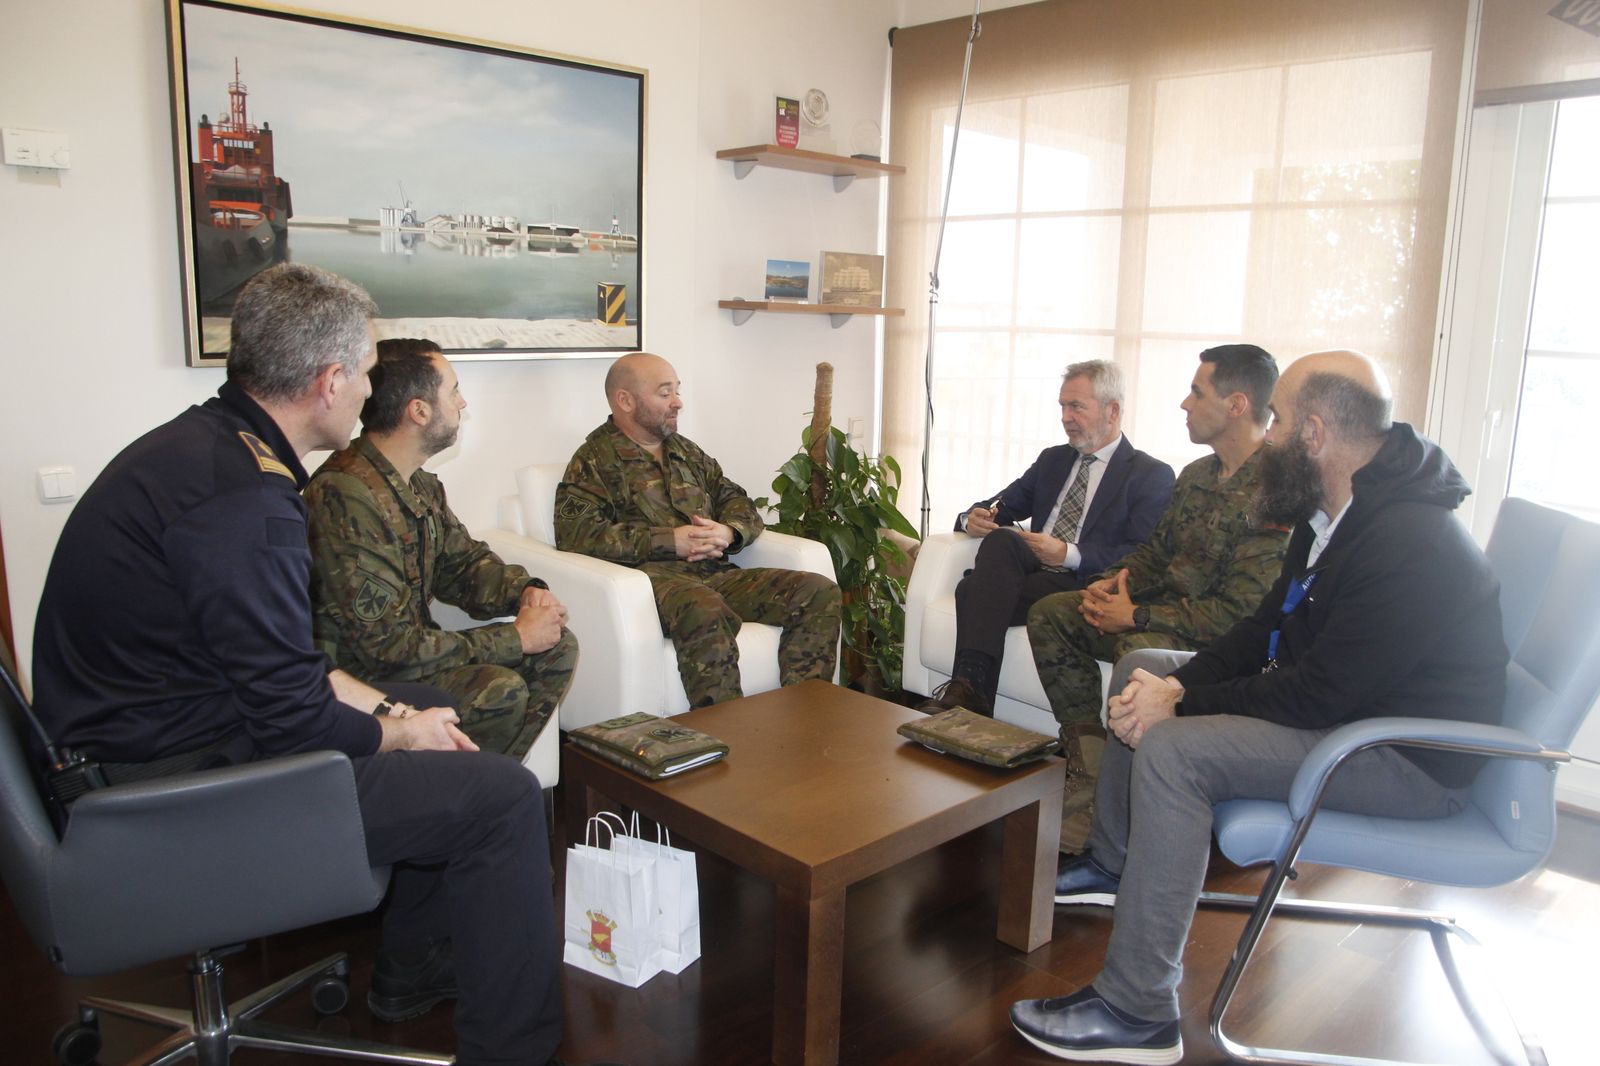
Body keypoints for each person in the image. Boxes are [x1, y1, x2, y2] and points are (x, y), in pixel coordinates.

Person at [32, 265, 569, 1066]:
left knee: (430, 708)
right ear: (327, 382)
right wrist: (398, 734)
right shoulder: (243, 502)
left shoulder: (210, 447)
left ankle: (411, 971)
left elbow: (289, 666)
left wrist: (399, 715)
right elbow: (291, 715)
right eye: (361, 372)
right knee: (503, 798)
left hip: (153, 736)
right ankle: (513, 1052)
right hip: (163, 787)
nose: (367, 390)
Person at [1008, 351, 1508, 1065]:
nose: (1267, 438)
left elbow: (1318, 694)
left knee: (1175, 751)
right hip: (1346, 716)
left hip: (1402, 755)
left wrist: (1181, 708)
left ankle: (1137, 1009)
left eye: (1276, 423)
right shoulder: (1332, 514)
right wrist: (1174, 686)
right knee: (1146, 663)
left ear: (1312, 433)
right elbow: (1262, 632)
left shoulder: (1409, 542)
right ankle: (1117, 865)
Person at [1027, 344, 1288, 853]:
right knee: (1053, 614)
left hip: (1217, 643)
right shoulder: (1196, 476)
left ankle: (1130, 803)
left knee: (1139, 656)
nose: (1185, 404)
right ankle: (1091, 766)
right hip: (1158, 613)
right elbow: (1154, 553)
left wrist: (1136, 615)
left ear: (1236, 405)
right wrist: (1110, 584)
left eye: (1197, 391)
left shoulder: (1277, 489)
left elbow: (1241, 616)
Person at [305, 337, 577, 759]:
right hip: (360, 683)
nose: (463, 403)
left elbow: (465, 565)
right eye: (453, 390)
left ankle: (491, 784)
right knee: (499, 691)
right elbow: (386, 649)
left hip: (404, 658)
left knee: (558, 645)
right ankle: (465, 793)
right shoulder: (347, 496)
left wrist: (526, 591)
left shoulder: (419, 483)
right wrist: (514, 638)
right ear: (419, 411)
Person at [554, 352, 840, 708]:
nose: (678, 402)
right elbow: (576, 536)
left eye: (677, 390)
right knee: (704, 606)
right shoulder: (593, 461)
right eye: (664, 393)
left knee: (817, 591)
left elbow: (736, 499)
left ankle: (804, 718)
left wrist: (729, 532)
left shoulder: (686, 452)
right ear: (624, 400)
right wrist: (667, 542)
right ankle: (726, 729)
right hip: (652, 585)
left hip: (715, 575)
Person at [923, 359, 1175, 716]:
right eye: (1062, 406)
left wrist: (1068, 554)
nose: (1066, 417)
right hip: (1030, 573)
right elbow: (1000, 504)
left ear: (1112, 410)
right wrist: (972, 518)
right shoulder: (1054, 460)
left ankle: (968, 691)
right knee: (1002, 540)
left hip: (1083, 583)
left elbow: (1141, 553)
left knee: (971, 590)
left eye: (1076, 407)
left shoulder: (1151, 475)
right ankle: (971, 694)